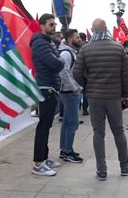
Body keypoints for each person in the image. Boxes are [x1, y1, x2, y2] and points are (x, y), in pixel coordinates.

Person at [73, 18, 128, 181]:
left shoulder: (85, 49)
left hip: (94, 97)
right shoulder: (118, 48)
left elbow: (76, 73)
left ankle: (101, 170)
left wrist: (87, 86)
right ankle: (125, 166)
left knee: (98, 133)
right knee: (118, 131)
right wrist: (125, 94)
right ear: (106, 28)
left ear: (92, 31)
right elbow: (126, 75)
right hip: (114, 97)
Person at [30, 13, 65, 176]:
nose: (54, 27)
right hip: (46, 88)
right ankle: (38, 164)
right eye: (51, 25)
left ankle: (43, 157)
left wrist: (58, 59)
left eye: (55, 25)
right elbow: (57, 64)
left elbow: (57, 60)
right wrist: (59, 60)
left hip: (50, 88)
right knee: (43, 126)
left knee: (47, 125)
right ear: (42, 26)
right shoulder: (40, 44)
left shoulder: (47, 43)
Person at [58, 29, 84, 163]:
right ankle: (68, 151)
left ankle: (65, 149)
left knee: (67, 122)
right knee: (73, 122)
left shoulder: (69, 52)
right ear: (70, 39)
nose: (79, 39)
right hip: (69, 92)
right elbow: (64, 73)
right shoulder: (67, 54)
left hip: (68, 91)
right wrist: (75, 88)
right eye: (77, 37)